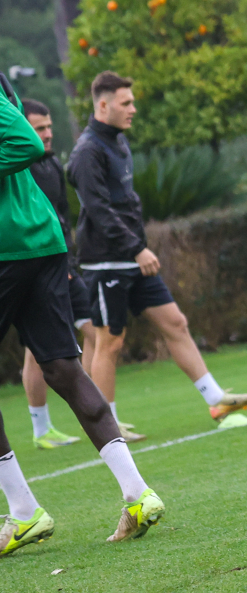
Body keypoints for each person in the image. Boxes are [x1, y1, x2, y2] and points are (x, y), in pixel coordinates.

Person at [0, 77, 164, 554]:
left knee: (67, 367)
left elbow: (27, 144)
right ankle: (138, 494)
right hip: (39, 242)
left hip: (9, 246)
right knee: (62, 368)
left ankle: (24, 512)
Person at [66, 72, 247, 439]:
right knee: (110, 341)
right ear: (103, 105)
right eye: (126, 103)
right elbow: (98, 209)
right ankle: (106, 427)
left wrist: (137, 247)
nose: (133, 109)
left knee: (175, 323)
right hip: (107, 261)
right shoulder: (87, 151)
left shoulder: (117, 141)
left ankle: (217, 400)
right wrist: (136, 248)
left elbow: (125, 202)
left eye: (132, 102)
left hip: (132, 258)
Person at [20, 100, 96, 448]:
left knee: (95, 333)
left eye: (49, 127)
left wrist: (68, 258)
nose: (48, 134)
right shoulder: (20, 170)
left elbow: (61, 217)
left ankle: (99, 410)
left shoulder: (51, 163)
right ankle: (43, 430)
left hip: (65, 264)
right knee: (38, 350)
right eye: (40, 129)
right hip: (44, 268)